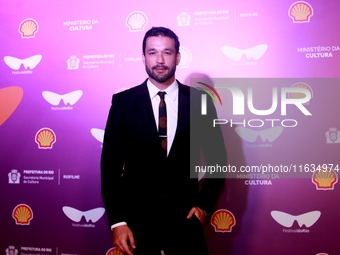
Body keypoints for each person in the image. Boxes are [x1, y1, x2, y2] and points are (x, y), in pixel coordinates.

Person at [101, 26, 227, 255]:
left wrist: (204, 207)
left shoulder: (200, 101)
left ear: (178, 57)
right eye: (152, 52)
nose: (159, 60)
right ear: (143, 57)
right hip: (136, 228)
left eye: (167, 52)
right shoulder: (123, 103)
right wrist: (117, 222)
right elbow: (110, 168)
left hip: (186, 225)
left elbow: (218, 159)